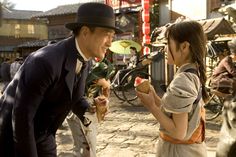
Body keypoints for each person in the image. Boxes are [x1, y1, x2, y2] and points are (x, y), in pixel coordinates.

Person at [0, 2, 121, 157]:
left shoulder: (86, 59)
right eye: (106, 35)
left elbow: (74, 98)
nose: (110, 43)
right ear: (85, 32)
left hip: (45, 133)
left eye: (112, 36)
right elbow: (21, 117)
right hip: (13, 137)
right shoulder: (45, 61)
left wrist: (91, 107)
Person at [136, 21, 208, 157]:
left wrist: (151, 105)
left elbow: (178, 132)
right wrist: (154, 97)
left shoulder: (183, 80)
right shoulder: (192, 73)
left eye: (168, 44)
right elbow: (171, 111)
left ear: (184, 46)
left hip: (178, 151)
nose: (165, 49)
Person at [67, 58, 115, 157]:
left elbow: (105, 90)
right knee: (83, 145)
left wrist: (104, 99)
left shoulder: (100, 68)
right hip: (77, 112)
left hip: (87, 112)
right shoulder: (78, 61)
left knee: (88, 144)